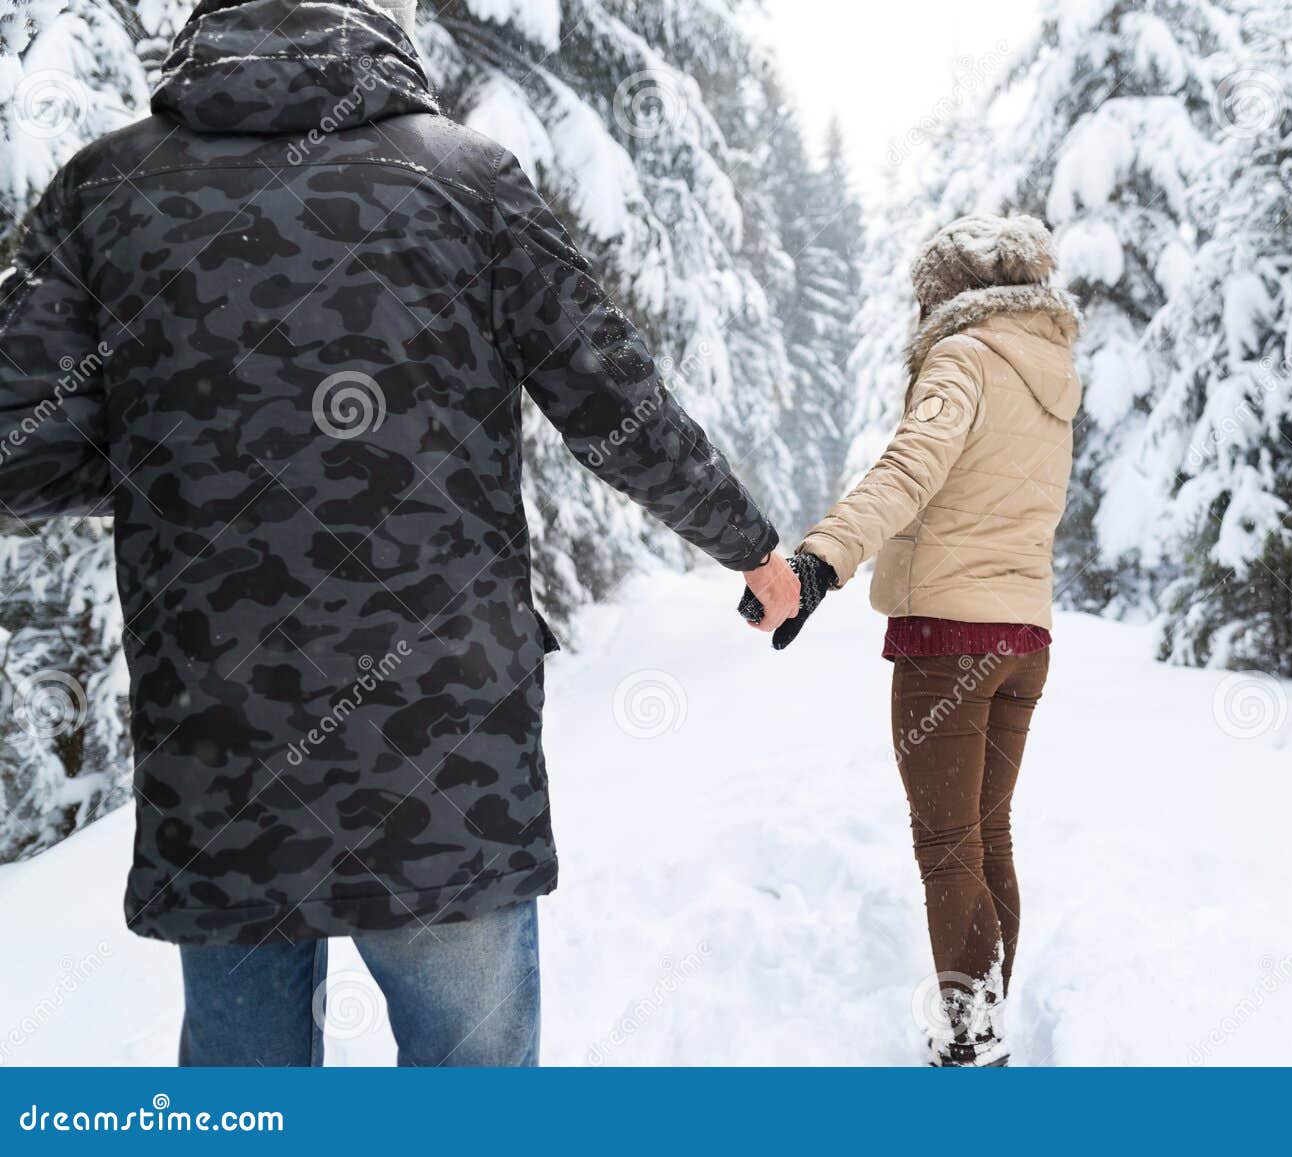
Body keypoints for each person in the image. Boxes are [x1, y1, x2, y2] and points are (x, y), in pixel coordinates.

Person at [0, 0, 799, 1066]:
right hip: (444, 755)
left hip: (221, 743)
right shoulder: (467, 179)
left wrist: (197, 462)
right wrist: (750, 547)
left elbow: (16, 449)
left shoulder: (102, 187)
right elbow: (615, 405)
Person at [767, 214, 1081, 1066]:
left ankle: (971, 1045)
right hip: (1025, 637)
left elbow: (910, 469)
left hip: (949, 638)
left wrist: (817, 563)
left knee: (949, 850)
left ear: (947, 292)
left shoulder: (964, 358)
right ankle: (986, 1018)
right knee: (989, 836)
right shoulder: (1051, 370)